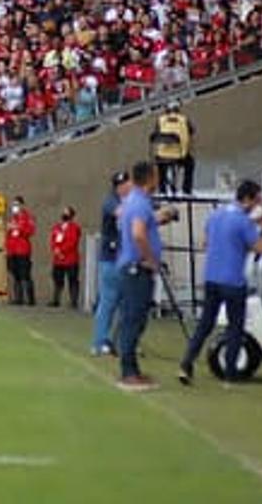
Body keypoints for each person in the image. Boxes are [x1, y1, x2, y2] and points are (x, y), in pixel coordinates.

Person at [179, 180, 262, 385]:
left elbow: (206, 242)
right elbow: (260, 248)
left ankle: (186, 362)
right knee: (236, 326)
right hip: (234, 280)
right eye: (257, 201)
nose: (258, 206)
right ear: (247, 199)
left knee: (205, 324)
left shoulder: (216, 215)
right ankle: (229, 373)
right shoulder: (244, 222)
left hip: (212, 277)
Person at [115, 161, 163, 391]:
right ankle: (128, 371)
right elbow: (138, 233)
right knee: (134, 319)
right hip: (137, 268)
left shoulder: (133, 201)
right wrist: (150, 259)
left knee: (134, 318)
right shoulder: (141, 203)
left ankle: (131, 367)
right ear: (150, 178)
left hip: (131, 266)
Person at [91, 170, 131, 356]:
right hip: (111, 258)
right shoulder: (111, 201)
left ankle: (116, 341)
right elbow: (120, 213)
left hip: (124, 257)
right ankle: (100, 342)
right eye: (124, 185)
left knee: (126, 303)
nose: (127, 188)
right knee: (108, 301)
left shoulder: (127, 201)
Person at [150, 100, 194, 194]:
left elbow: (156, 135)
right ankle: (186, 190)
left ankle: (162, 190)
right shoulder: (184, 119)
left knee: (160, 164)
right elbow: (191, 131)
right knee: (190, 163)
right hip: (180, 155)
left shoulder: (160, 120)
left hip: (162, 155)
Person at [5, 196, 37, 306]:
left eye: (17, 205)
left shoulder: (28, 218)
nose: (15, 207)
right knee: (16, 275)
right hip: (13, 251)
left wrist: (18, 227)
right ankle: (18, 298)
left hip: (23, 251)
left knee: (25, 276)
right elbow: (9, 236)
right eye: (13, 205)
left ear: (22, 205)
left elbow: (30, 231)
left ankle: (30, 299)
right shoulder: (12, 219)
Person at [50, 205, 82, 309]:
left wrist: (62, 251)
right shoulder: (57, 227)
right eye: (63, 212)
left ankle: (73, 301)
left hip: (70, 259)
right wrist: (56, 250)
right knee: (57, 280)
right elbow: (53, 240)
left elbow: (72, 242)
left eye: (66, 212)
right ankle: (56, 300)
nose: (64, 214)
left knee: (72, 280)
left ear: (71, 215)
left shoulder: (75, 227)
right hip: (58, 260)